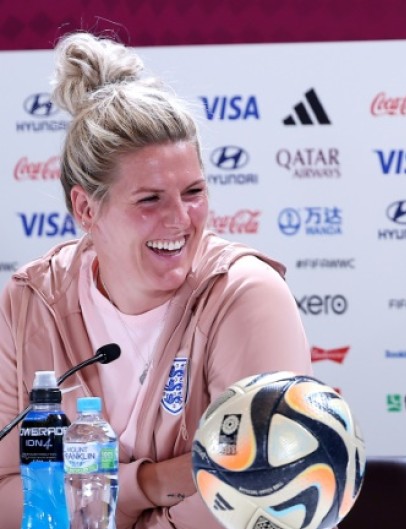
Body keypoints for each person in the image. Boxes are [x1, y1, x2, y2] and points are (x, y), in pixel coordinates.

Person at [0, 32, 313, 528]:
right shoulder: (31, 299)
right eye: (150, 199)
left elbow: (259, 498)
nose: (181, 219)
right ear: (85, 208)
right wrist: (150, 483)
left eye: (193, 192)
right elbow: (5, 496)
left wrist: (93, 497)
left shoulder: (246, 294)